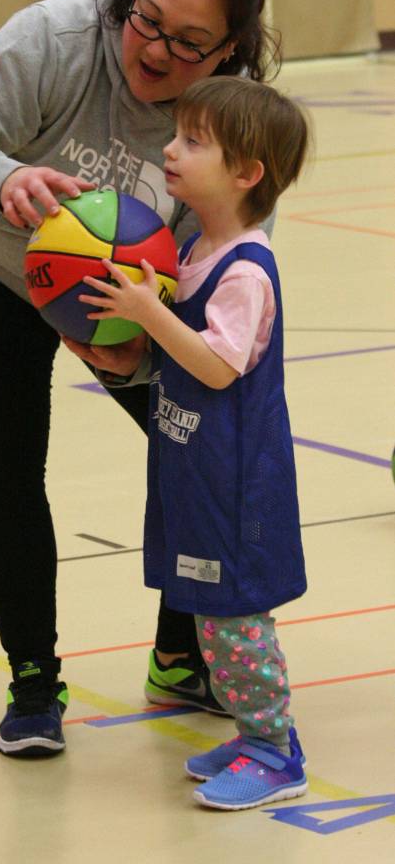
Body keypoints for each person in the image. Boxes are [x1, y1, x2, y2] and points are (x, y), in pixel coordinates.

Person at [0, 0, 280, 758]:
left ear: (228, 50)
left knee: (196, 450)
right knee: (4, 463)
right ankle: (33, 682)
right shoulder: (58, 38)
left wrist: (140, 349)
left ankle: (182, 655)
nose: (155, 49)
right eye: (146, 20)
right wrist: (5, 178)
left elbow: (225, 255)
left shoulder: (230, 120)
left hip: (124, 300)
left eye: (188, 41)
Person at [76, 75, 309, 810]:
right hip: (194, 469)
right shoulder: (192, 244)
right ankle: (251, 734)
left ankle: (276, 751)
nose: (171, 150)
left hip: (237, 483)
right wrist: (133, 361)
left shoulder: (244, 268)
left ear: (245, 174)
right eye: (175, 135)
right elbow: (186, 357)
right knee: (212, 620)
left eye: (192, 142)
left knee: (237, 623)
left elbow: (216, 361)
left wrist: (148, 314)